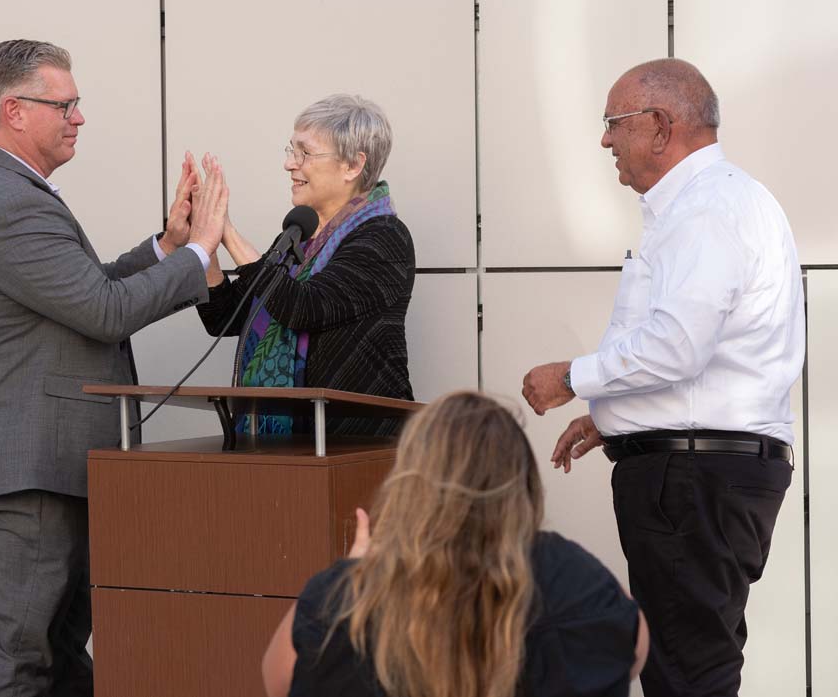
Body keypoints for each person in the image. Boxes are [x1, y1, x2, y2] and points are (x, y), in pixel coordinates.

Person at [0, 39, 228, 697]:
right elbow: (102, 310)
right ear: (14, 110)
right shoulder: (7, 200)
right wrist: (200, 253)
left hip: (52, 462)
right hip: (32, 464)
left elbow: (80, 291)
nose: (79, 116)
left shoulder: (13, 191)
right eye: (64, 103)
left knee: (61, 659)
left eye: (77, 103)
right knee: (14, 660)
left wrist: (168, 245)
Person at [521, 58, 804, 697]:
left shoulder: (707, 207)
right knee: (691, 663)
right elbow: (708, 355)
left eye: (612, 123)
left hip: (692, 479)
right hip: (705, 471)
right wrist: (611, 416)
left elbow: (677, 346)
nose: (603, 141)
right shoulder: (722, 202)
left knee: (685, 673)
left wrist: (573, 376)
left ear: (658, 126)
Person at [261, 391, 648, 697]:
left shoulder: (341, 597)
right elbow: (634, 651)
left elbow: (277, 681)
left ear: (409, 483)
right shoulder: (574, 577)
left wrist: (354, 574)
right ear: (521, 484)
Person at [195, 95, 414, 435]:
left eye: (305, 153)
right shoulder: (298, 239)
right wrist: (206, 242)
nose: (290, 164)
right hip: (290, 454)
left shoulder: (384, 237)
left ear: (353, 165)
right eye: (291, 151)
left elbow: (304, 307)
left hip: (357, 447)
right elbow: (224, 317)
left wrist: (229, 232)